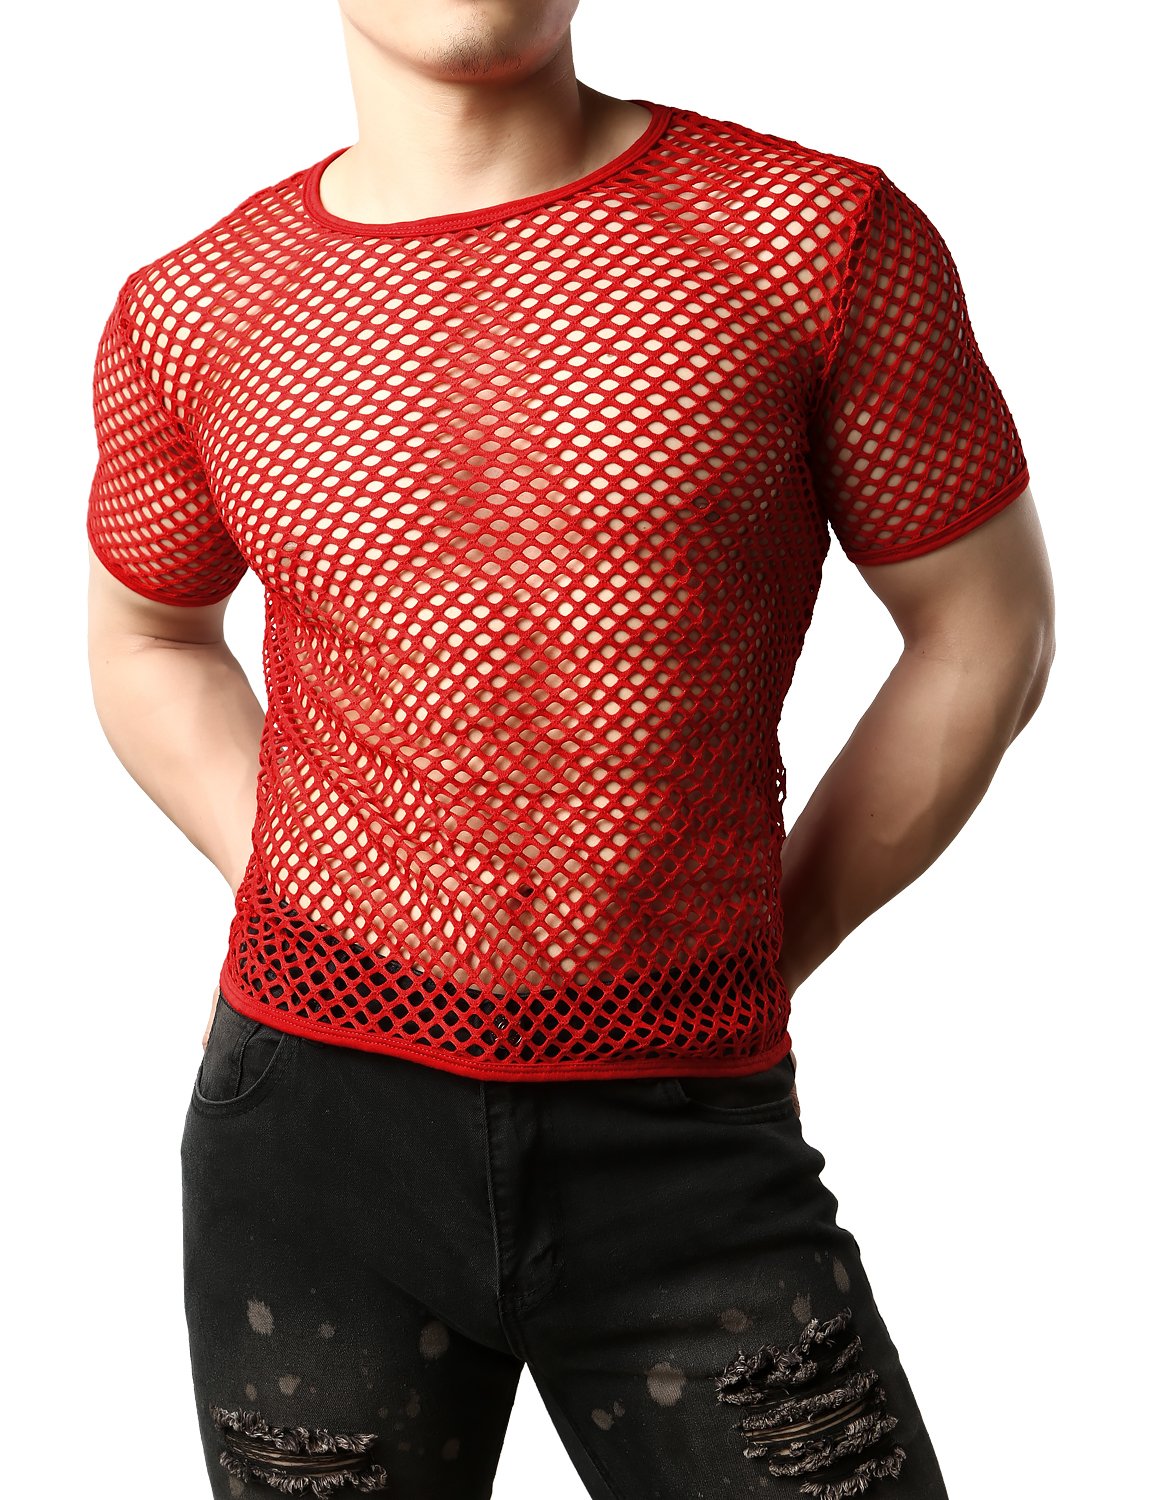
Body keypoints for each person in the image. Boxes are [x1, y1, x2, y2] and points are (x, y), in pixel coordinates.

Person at [85, 3, 1054, 1496]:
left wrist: (757, 944)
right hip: (313, 1145)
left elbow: (985, 629)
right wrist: (302, 882)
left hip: (687, 1139)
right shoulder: (194, 307)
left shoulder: (815, 238)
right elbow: (149, 638)